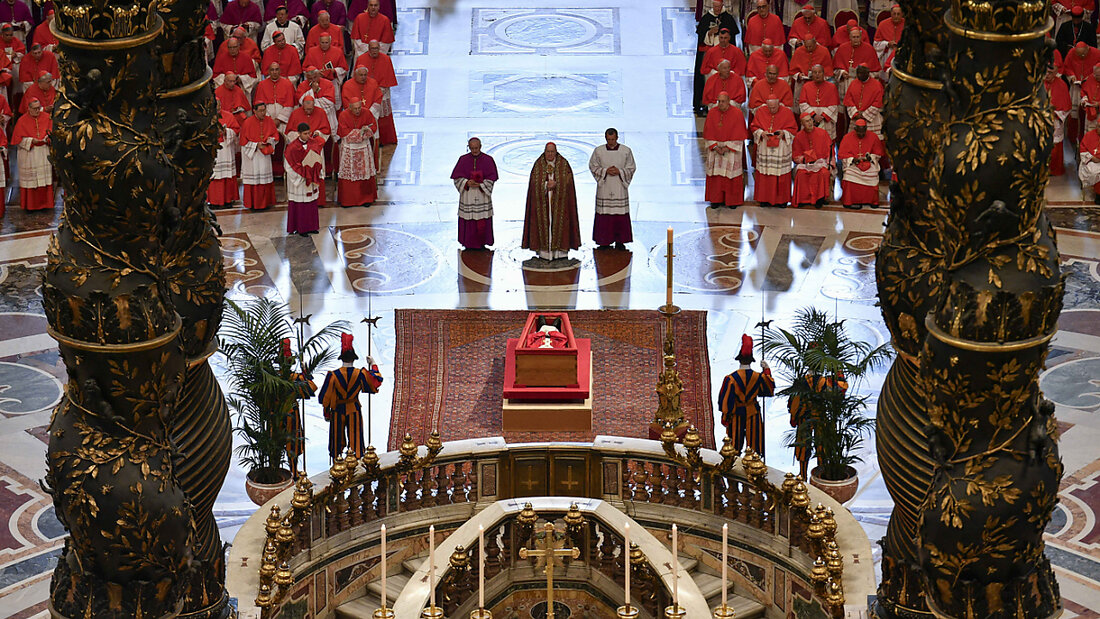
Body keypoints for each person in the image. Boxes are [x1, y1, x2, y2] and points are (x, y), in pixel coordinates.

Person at [318, 334, 383, 460]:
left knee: (336, 440)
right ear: (354, 359)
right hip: (354, 408)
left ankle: (337, 464)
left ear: (341, 358)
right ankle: (357, 464)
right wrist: (373, 363)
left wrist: (326, 414)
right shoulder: (360, 374)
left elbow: (325, 398)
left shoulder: (333, 375)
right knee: (356, 440)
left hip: (337, 410)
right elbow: (376, 381)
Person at [717, 335, 775, 457]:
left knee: (733, 447)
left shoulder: (731, 379)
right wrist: (767, 370)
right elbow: (768, 389)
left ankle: (732, 471)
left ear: (739, 359)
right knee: (755, 448)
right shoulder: (758, 377)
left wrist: (725, 416)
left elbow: (726, 401)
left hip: (736, 414)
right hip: (753, 413)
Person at [522, 142, 581, 261]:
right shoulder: (538, 164)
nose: (550, 154)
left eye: (552, 152)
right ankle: (544, 252)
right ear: (544, 151)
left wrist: (557, 184)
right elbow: (534, 182)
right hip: (543, 201)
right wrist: (544, 185)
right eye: (548, 152)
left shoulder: (563, 164)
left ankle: (560, 252)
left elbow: (568, 181)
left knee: (561, 223)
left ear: (556, 151)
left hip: (560, 202)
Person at [787, 372, 848, 479]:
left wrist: (794, 416)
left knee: (804, 446)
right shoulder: (826, 382)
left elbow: (794, 401)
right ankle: (820, 473)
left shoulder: (801, 382)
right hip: (820, 417)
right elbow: (840, 390)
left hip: (805, 418)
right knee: (821, 445)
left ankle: (803, 474)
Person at [589, 128, 636, 250]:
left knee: (620, 214)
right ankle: (604, 240)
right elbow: (592, 166)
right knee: (604, 214)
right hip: (605, 186)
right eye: (608, 139)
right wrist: (605, 171)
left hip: (619, 186)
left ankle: (620, 241)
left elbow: (631, 167)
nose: (610, 142)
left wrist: (620, 171)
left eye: (613, 139)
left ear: (617, 138)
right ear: (605, 138)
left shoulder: (625, 151)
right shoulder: (598, 151)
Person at [451, 137, 499, 250]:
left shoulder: (488, 160)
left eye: (476, 148)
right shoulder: (463, 160)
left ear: (481, 146)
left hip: (482, 196)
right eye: (472, 148)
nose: (474, 151)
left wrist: (480, 185)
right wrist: (466, 182)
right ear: (469, 147)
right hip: (468, 196)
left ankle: (482, 243)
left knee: (482, 220)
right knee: (469, 221)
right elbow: (457, 178)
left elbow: (492, 178)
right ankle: (468, 243)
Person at [703, 92, 748, 209]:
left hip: (730, 149)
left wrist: (727, 147)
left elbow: (740, 135)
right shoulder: (712, 113)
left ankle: (732, 201)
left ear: (729, 101)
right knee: (716, 176)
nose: (720, 104)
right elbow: (708, 132)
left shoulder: (737, 113)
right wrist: (716, 147)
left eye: (723, 101)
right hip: (716, 149)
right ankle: (715, 200)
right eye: (719, 101)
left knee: (731, 176)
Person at [279, 338, 316, 478]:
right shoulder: (296, 377)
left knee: (277, 446)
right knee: (292, 445)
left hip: (276, 415)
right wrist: (306, 373)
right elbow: (311, 388)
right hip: (291, 414)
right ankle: (294, 473)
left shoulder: (272, 376)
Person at [694, 0, 739, 115]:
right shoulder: (706, 18)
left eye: (719, 7)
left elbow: (732, 39)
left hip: (726, 55)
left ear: (722, 6)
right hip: (711, 57)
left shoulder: (727, 18)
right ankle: (706, 104)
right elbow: (701, 38)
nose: (717, 9)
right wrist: (709, 33)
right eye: (715, 7)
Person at [751, 97, 797, 207]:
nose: (772, 110)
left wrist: (784, 132)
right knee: (765, 174)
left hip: (781, 148)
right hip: (765, 148)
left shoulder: (787, 112)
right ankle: (764, 199)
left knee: (781, 175)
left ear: (779, 104)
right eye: (770, 107)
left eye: (774, 107)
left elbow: (793, 129)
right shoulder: (761, 111)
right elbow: (754, 127)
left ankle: (781, 200)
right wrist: (761, 133)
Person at [335, 98, 378, 207]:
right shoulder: (343, 115)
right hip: (349, 148)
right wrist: (360, 133)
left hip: (364, 148)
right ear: (349, 107)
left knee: (365, 172)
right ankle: (348, 200)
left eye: (359, 108)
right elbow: (344, 132)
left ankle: (366, 199)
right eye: (355, 109)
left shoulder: (366, 112)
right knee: (349, 174)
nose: (358, 111)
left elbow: (373, 126)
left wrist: (366, 131)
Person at [285, 123, 325, 235]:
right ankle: (301, 228)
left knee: (311, 203)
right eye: (305, 134)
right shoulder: (292, 147)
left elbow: (318, 159)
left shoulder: (314, 144)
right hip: (300, 179)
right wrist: (301, 174)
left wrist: (316, 170)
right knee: (301, 204)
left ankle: (312, 226)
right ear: (299, 134)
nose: (308, 136)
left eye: (309, 133)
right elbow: (288, 165)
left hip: (311, 178)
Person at [354, 41, 398, 145]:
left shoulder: (386, 59)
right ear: (368, 49)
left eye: (376, 48)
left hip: (382, 91)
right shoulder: (361, 59)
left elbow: (388, 79)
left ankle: (384, 139)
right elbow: (357, 77)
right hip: (365, 92)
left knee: (383, 116)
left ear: (379, 48)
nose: (374, 51)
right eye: (372, 49)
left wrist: (377, 89)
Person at [12, 98, 52, 211]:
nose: (37, 111)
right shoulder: (22, 121)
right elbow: (17, 140)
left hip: (43, 151)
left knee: (44, 181)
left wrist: (47, 138)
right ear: (28, 108)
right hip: (29, 154)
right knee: (31, 182)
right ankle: (30, 206)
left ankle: (45, 205)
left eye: (39, 108)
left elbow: (51, 132)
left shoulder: (46, 117)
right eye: (34, 109)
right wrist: (30, 141)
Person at [838, 119, 885, 209]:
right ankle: (850, 201)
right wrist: (853, 159)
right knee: (848, 175)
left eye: (863, 132)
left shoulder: (873, 137)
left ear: (866, 129)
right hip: (853, 165)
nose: (861, 135)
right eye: (859, 132)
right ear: (855, 129)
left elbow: (878, 153)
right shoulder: (847, 137)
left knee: (873, 173)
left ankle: (872, 201)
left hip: (869, 163)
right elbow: (842, 155)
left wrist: (869, 157)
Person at [240, 102, 279, 210]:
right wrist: (256, 145)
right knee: (255, 180)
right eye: (261, 111)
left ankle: (265, 203)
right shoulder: (247, 122)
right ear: (254, 111)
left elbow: (275, 136)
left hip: (264, 155)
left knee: (264, 180)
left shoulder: (269, 120)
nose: (263, 113)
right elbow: (243, 142)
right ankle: (253, 204)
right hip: (253, 156)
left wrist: (269, 141)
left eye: (264, 110)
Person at [792, 113, 833, 208]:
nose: (810, 123)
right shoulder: (798, 136)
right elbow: (795, 155)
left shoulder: (822, 133)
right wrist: (804, 159)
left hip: (820, 161)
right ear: (802, 124)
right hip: (805, 164)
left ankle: (820, 199)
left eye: (810, 120)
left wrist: (829, 163)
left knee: (823, 173)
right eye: (807, 121)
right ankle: (803, 200)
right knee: (801, 174)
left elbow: (830, 151)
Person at [834, 26, 880, 98]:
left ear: (861, 37)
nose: (856, 39)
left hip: (863, 81)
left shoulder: (869, 49)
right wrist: (842, 72)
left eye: (857, 37)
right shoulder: (842, 48)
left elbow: (876, 72)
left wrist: (863, 75)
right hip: (847, 79)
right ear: (849, 37)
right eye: (854, 37)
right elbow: (835, 69)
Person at [799, 64, 840, 139]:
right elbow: (802, 103)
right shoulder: (806, 86)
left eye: (819, 72)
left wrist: (822, 117)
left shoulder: (831, 87)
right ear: (812, 74)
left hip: (825, 119)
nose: (817, 75)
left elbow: (834, 105)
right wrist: (814, 116)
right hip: (810, 119)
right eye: (815, 72)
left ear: (823, 74)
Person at [209, 110, 239, 209]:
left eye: (219, 105)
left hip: (226, 148)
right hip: (212, 148)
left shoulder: (228, 116)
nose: (218, 107)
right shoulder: (207, 115)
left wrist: (226, 131)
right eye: (216, 105)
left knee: (227, 176)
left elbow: (236, 130)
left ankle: (227, 200)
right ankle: (214, 201)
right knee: (214, 176)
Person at [304, 34, 348, 99]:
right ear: (319, 42)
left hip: (332, 82)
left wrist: (334, 71)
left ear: (330, 42)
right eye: (322, 42)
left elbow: (344, 69)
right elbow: (305, 68)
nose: (324, 45)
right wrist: (315, 72)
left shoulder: (338, 51)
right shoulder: (311, 51)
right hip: (315, 82)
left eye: (326, 42)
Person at [1045, 65, 1072, 176]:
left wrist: (1055, 113)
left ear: (1056, 73)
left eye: (1050, 72)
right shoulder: (1038, 83)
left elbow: (1067, 107)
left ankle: (1055, 169)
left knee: (1055, 146)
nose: (1047, 75)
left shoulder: (1061, 85)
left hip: (1055, 120)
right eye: (1046, 72)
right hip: (1040, 119)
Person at [790, 35, 831, 104]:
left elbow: (828, 69)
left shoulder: (824, 51)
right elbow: (792, 70)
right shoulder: (799, 51)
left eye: (810, 46)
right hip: (802, 82)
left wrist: (819, 76)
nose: (808, 48)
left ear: (815, 43)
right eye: (806, 47)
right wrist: (798, 75)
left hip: (819, 83)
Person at [844, 64, 884, 135]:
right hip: (856, 118)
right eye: (858, 73)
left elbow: (878, 102)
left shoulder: (877, 85)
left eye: (861, 73)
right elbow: (848, 100)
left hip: (872, 119)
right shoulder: (853, 83)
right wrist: (855, 114)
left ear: (868, 73)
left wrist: (864, 115)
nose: (859, 75)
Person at [1079, 125, 1100, 202]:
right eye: (1099, 127)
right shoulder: (1089, 135)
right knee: (1093, 172)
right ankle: (1098, 195)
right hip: (1091, 161)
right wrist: (1092, 158)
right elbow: (1083, 149)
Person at [1080, 63, 1100, 133]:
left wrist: (1098, 104)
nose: (1096, 77)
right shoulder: (1091, 78)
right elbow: (1083, 91)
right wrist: (1085, 99)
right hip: (1090, 111)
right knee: (1089, 132)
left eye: (1098, 76)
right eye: (1096, 75)